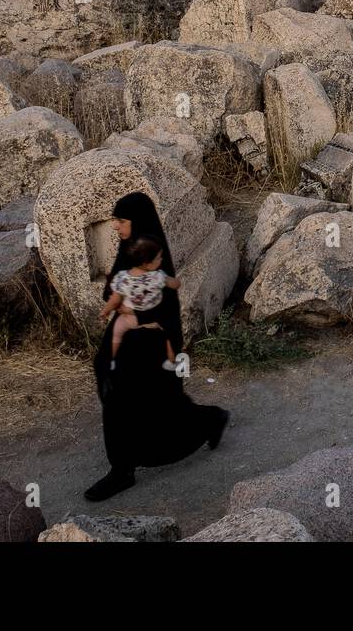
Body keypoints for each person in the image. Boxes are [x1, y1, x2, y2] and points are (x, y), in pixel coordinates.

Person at [85, 192, 229, 503]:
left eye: (121, 221)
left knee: (146, 402)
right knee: (136, 401)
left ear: (135, 222)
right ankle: (207, 421)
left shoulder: (149, 251)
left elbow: (160, 304)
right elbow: (116, 291)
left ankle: (123, 469)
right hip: (130, 336)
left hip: (149, 340)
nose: (115, 226)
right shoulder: (133, 247)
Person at [100, 235, 179, 366]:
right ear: (147, 263)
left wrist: (105, 311)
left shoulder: (123, 278)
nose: (161, 259)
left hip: (129, 319)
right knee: (170, 331)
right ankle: (171, 361)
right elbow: (176, 284)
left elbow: (114, 300)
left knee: (117, 332)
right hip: (154, 318)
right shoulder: (158, 276)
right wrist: (173, 281)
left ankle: (111, 360)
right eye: (159, 257)